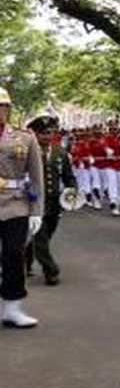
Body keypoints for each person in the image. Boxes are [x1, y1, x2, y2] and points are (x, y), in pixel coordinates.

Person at [0, 86, 44, 328]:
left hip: (15, 203)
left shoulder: (25, 137)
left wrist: (36, 210)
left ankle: (12, 308)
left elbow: (36, 178)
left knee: (14, 256)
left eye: (4, 106)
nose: (1, 110)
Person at [24, 116, 75, 286]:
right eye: (44, 133)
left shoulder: (60, 152)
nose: (48, 136)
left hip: (54, 201)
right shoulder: (26, 150)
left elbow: (68, 176)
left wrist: (72, 191)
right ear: (35, 134)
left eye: (51, 133)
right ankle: (51, 271)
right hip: (35, 201)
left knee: (47, 234)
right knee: (40, 238)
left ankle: (26, 259)